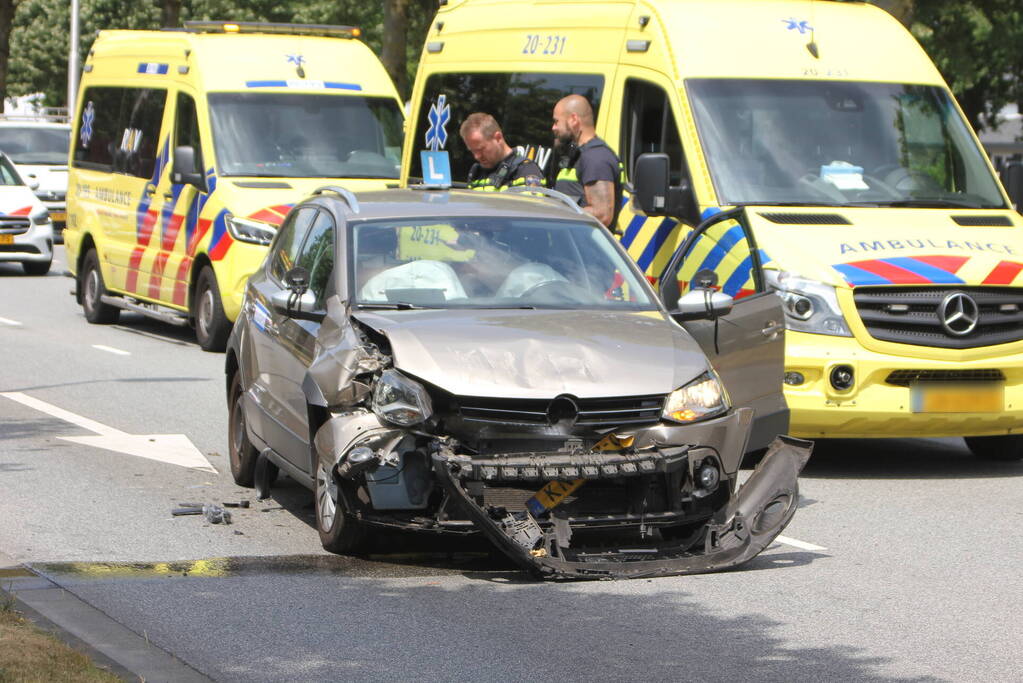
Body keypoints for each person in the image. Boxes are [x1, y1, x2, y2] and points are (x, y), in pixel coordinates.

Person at [551, 94, 624, 231]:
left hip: (584, 250)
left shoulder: (596, 158)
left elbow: (602, 214)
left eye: (556, 122)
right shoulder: (579, 155)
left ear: (573, 119)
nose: (553, 128)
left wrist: (552, 213)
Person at [459, 113, 544, 190]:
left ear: (498, 137)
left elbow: (529, 206)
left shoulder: (526, 170)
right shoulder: (476, 172)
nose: (477, 156)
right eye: (473, 151)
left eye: (481, 149)